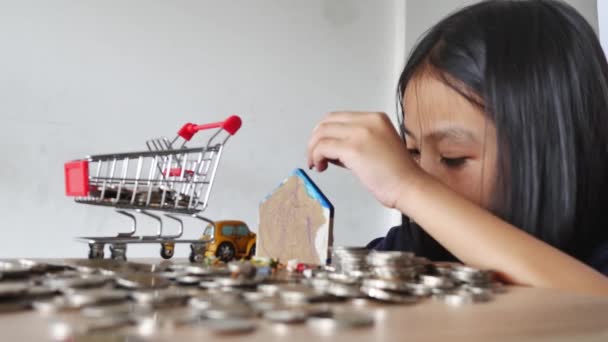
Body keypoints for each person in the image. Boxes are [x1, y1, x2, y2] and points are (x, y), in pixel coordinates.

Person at [306, 0, 608, 295]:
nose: (419, 172)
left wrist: (408, 187)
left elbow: (594, 306)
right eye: (410, 152)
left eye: (452, 157)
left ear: (552, 154)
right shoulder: (413, 247)